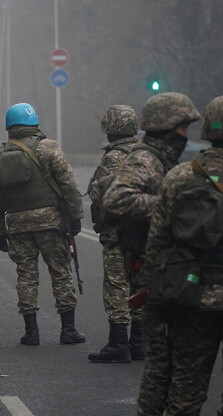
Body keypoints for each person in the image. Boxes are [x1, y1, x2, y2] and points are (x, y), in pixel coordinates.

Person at [145, 95, 223, 415]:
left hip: (191, 296)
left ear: (207, 129)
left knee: (185, 385)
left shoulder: (181, 176)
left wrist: (156, 295)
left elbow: (158, 242)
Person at [102, 92, 201, 415]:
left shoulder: (165, 158)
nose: (187, 136)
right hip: (154, 272)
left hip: (167, 272)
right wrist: (172, 207)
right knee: (163, 370)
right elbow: (116, 200)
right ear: (168, 127)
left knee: (167, 367)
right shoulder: (146, 158)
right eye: (184, 127)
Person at [0, 103, 86, 345]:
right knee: (61, 272)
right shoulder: (49, 148)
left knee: (26, 277)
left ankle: (31, 332)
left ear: (9, 126)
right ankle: (68, 330)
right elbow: (69, 185)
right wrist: (75, 217)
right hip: (51, 223)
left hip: (18, 226)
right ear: (35, 124)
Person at [87, 105, 141, 363]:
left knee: (117, 285)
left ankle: (119, 343)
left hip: (117, 232)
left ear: (108, 129)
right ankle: (140, 341)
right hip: (143, 232)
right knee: (140, 283)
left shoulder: (112, 158)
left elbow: (100, 194)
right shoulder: (146, 153)